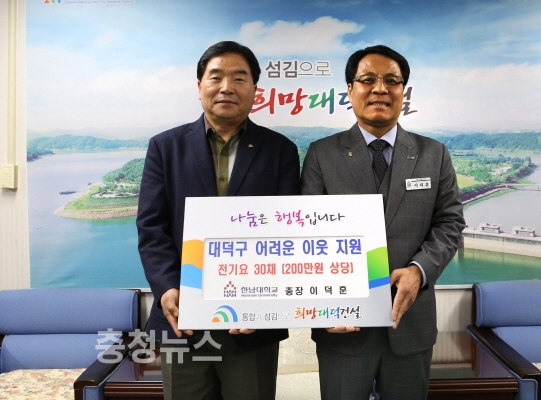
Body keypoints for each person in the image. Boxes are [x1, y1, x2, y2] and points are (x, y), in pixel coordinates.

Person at [137, 41, 301, 400]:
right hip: (183, 319)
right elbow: (151, 228)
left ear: (255, 89)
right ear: (200, 86)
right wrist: (167, 287)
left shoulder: (281, 151)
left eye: (239, 78)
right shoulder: (165, 147)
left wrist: (262, 302)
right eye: (216, 77)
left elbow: (287, 236)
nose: (227, 87)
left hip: (252, 324)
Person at [301, 45, 465, 400]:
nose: (380, 88)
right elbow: (307, 234)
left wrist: (419, 270)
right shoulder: (321, 153)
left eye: (392, 80)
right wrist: (326, 304)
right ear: (350, 90)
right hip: (343, 323)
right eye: (368, 80)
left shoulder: (433, 154)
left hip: (410, 322)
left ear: (403, 91)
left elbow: (450, 222)